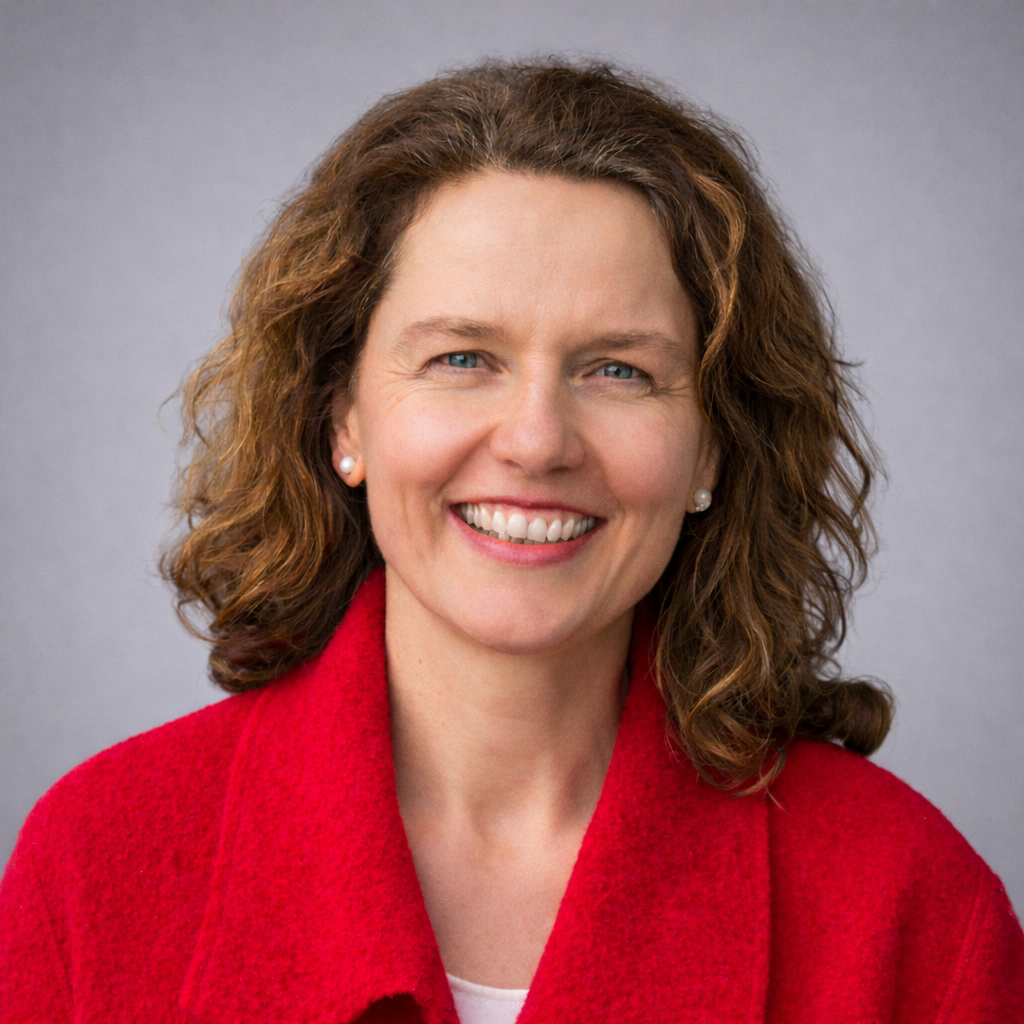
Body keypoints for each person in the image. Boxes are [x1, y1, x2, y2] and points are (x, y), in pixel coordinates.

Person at [1, 59, 1021, 1024]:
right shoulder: (95, 865)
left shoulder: (913, 907)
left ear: (712, 444)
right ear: (342, 419)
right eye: (461, 357)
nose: (535, 440)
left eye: (618, 370)